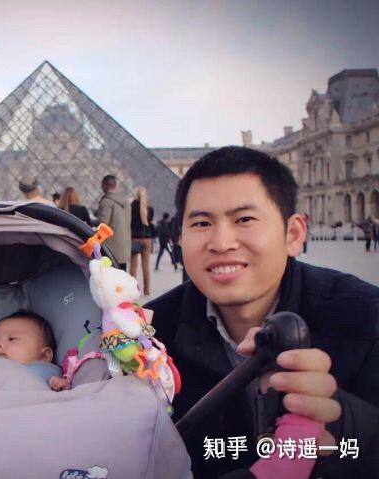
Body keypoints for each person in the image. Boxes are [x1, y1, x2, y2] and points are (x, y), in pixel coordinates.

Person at [146, 146, 379, 478]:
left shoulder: (366, 315)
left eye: (244, 219)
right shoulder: (148, 336)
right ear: (180, 239)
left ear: (294, 234)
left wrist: (344, 424)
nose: (221, 242)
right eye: (201, 223)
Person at [96, 175, 131, 271]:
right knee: (122, 275)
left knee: (109, 276)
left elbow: (103, 225)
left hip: (110, 249)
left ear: (105, 185)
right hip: (124, 248)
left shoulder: (106, 202)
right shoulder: (126, 202)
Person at [130, 187, 154, 296]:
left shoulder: (132, 207)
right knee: (146, 266)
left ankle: (133, 290)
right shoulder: (150, 209)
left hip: (135, 238)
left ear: (136, 195)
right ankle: (147, 290)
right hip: (147, 238)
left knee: (133, 266)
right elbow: (150, 222)